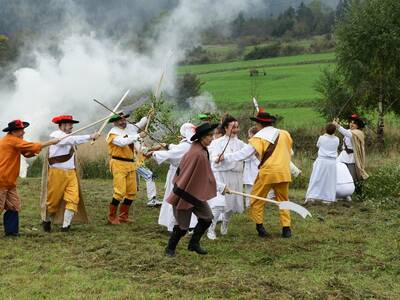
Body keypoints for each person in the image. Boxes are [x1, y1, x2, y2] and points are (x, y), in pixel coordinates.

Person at [219, 109, 293, 238]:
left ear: (259, 124)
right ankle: (286, 228)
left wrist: (226, 157)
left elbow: (244, 154)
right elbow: (290, 151)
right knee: (283, 200)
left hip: (268, 172)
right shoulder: (285, 134)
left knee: (256, 200)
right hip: (284, 172)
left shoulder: (258, 137)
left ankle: (260, 227)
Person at [165, 123, 226, 257]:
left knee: (207, 218)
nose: (212, 138)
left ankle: (193, 244)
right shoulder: (197, 154)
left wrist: (220, 187)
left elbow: (204, 176)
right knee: (182, 227)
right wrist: (221, 188)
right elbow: (205, 176)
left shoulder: (202, 150)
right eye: (210, 136)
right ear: (202, 137)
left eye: (213, 135)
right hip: (184, 194)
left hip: (195, 193)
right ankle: (170, 249)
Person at [41, 115, 99, 232]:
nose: (71, 126)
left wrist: (89, 137)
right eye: (68, 123)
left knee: (73, 198)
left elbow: (72, 140)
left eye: (71, 124)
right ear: (61, 125)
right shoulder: (56, 135)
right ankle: (46, 220)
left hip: (71, 172)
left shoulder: (68, 136)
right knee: (53, 201)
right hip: (57, 173)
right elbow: (71, 140)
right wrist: (90, 136)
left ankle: (65, 226)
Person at [0, 119, 59, 236]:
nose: (23, 132)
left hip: (10, 182)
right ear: (13, 131)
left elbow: (27, 151)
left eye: (23, 130)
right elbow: (31, 146)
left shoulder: (15, 141)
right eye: (21, 130)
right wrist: (51, 142)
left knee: (14, 206)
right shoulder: (11, 140)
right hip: (1, 180)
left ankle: (11, 232)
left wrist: (36, 149)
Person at [149, 123, 197, 233]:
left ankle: (173, 226)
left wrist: (153, 153)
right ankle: (189, 224)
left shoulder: (185, 146)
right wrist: (166, 145)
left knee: (174, 199)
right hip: (188, 175)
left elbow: (171, 154)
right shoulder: (193, 144)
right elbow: (175, 148)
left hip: (178, 175)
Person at [106, 112, 146, 224]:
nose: (123, 121)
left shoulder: (130, 128)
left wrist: (148, 114)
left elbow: (142, 123)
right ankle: (112, 217)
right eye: (120, 120)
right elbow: (122, 142)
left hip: (130, 164)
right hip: (118, 164)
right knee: (119, 192)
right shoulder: (112, 133)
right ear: (114, 122)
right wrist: (138, 136)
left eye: (124, 119)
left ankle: (123, 216)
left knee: (132, 192)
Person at [209, 115, 246, 236]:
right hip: (221, 175)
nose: (236, 129)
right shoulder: (217, 142)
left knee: (231, 204)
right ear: (226, 128)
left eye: (237, 127)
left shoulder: (241, 144)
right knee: (219, 204)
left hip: (236, 176)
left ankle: (225, 224)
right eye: (233, 127)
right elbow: (213, 157)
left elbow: (249, 153)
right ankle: (211, 228)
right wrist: (217, 159)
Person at [334, 114, 369, 196]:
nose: (351, 124)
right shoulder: (349, 131)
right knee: (336, 171)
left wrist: (337, 126)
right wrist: (336, 125)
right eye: (350, 122)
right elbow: (346, 133)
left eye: (354, 123)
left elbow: (348, 134)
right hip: (343, 156)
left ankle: (359, 195)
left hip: (353, 158)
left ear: (358, 125)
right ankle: (339, 192)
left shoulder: (359, 133)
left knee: (353, 178)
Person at [305, 123, 339, 204]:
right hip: (332, 162)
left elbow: (318, 145)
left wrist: (325, 134)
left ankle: (311, 196)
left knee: (316, 178)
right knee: (330, 180)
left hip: (322, 161)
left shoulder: (321, 138)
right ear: (334, 131)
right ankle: (328, 199)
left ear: (326, 130)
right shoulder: (337, 139)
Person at [243, 126, 260, 208]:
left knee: (253, 191)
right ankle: (249, 205)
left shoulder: (257, 145)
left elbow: (247, 157)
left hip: (254, 170)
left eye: (250, 135)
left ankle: (252, 205)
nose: (249, 137)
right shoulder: (249, 145)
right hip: (250, 171)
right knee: (249, 191)